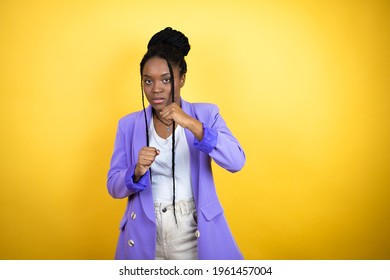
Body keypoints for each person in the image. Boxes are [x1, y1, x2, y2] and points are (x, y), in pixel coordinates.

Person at [107, 27, 246, 260]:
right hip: (144, 232)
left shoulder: (206, 114)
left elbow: (236, 161)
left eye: (165, 79)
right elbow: (113, 186)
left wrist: (194, 126)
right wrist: (136, 171)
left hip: (193, 230)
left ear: (181, 79)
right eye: (148, 81)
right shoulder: (128, 125)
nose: (156, 89)